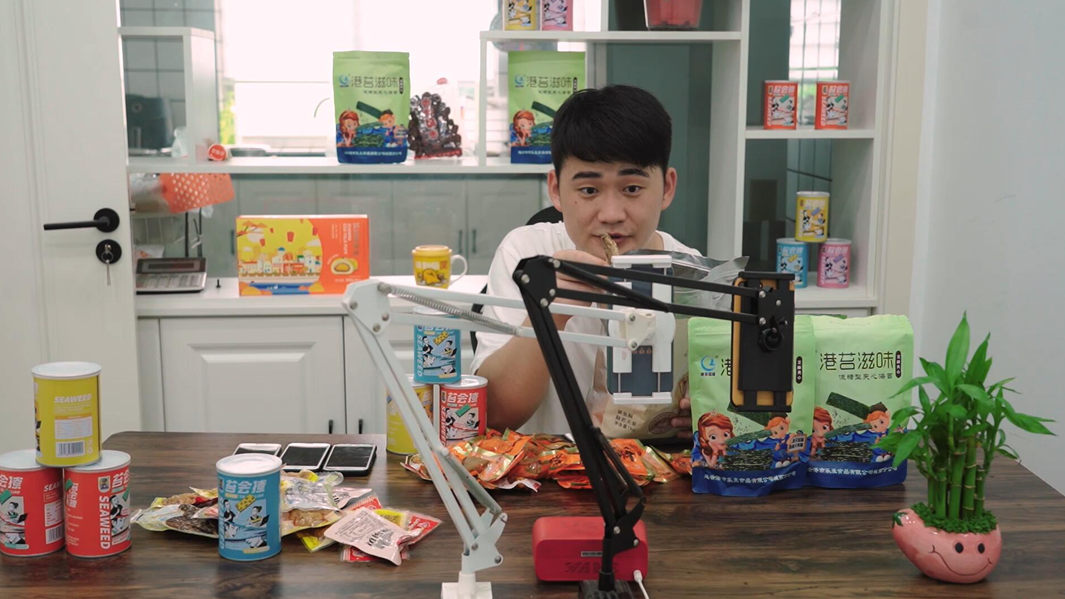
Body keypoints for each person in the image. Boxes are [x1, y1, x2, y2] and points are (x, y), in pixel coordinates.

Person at [472, 85, 700, 436]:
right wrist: (549, 314)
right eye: (589, 190)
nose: (611, 214)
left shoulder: (691, 274)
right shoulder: (527, 255)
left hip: (651, 467)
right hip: (543, 468)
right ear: (555, 189)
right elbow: (496, 414)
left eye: (632, 188)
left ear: (667, 188)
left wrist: (699, 413)